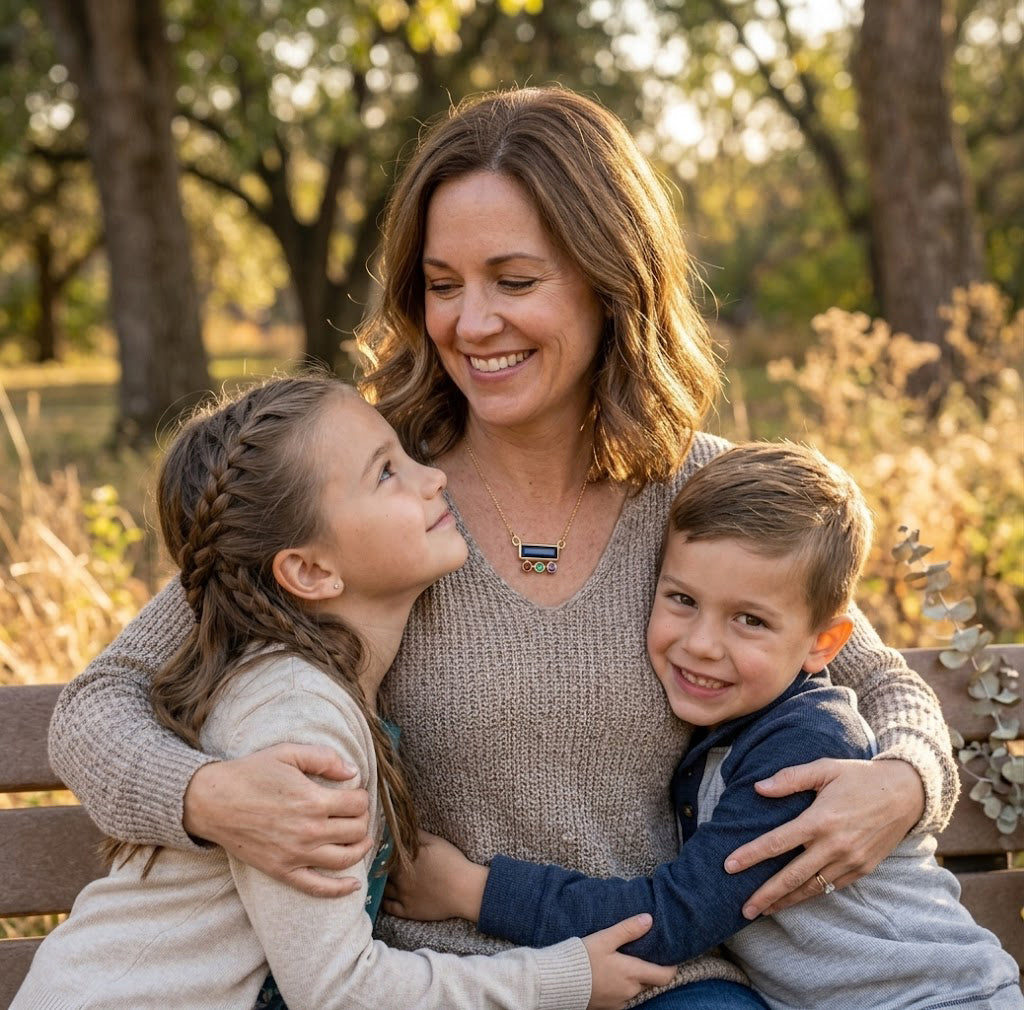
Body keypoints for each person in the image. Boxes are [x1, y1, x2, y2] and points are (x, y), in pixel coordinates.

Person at [48, 87, 961, 1006]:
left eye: (514, 282)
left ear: (612, 282)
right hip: (424, 979)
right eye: (443, 286)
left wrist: (905, 783)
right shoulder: (379, 503)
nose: (471, 324)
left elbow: (875, 679)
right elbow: (97, 705)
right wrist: (212, 800)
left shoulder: (702, 495)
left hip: (652, 973)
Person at [14, 375, 676, 1010]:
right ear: (308, 570)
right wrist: (561, 980)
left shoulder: (307, 678)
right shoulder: (300, 719)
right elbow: (338, 994)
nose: (435, 476)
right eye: (389, 471)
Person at [383, 442, 1024, 1010]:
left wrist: (475, 890)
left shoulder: (802, 752)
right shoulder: (739, 719)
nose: (702, 646)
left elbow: (670, 918)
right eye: (682, 600)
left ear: (822, 643)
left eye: (749, 620)